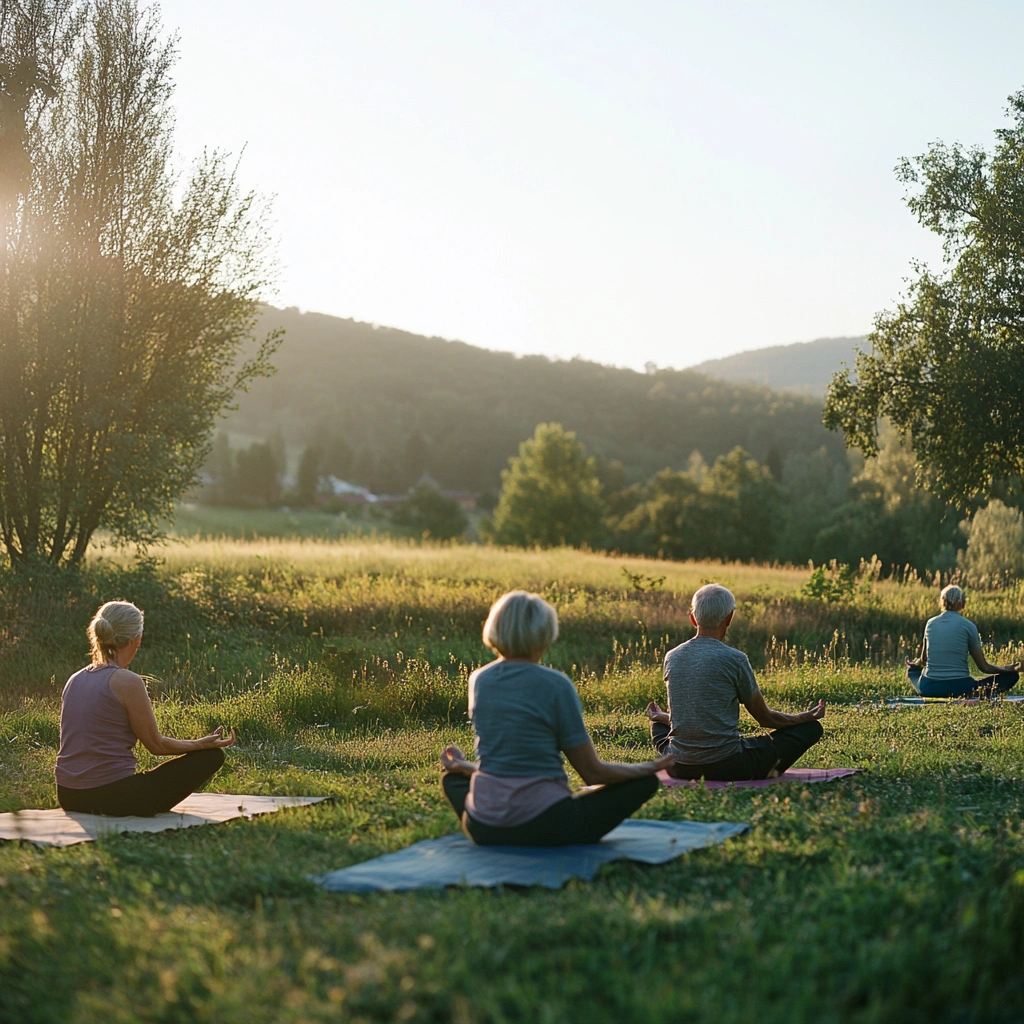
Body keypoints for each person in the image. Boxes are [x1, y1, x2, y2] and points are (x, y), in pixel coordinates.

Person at [440, 590, 673, 845]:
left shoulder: (479, 680)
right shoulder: (556, 685)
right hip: (548, 826)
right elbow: (593, 774)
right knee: (644, 783)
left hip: (483, 828)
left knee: (453, 778)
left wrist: (465, 767)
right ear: (543, 634)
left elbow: (505, 768)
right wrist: (654, 767)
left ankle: (496, 826)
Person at [55, 601, 236, 816]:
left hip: (68, 796)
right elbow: (156, 745)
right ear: (136, 640)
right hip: (111, 797)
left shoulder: (74, 679)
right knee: (212, 757)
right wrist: (200, 745)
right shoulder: (127, 681)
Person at [647, 583, 825, 781]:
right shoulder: (735, 659)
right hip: (728, 766)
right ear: (729, 618)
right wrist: (804, 718)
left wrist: (663, 717)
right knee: (811, 729)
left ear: (693, 619)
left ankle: (663, 727)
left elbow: (691, 716)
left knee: (658, 725)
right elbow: (766, 719)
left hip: (678, 767)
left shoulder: (672, 657)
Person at [905, 584, 1020, 698]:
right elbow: (984, 667)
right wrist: (1009, 668)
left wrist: (915, 664)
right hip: (961, 688)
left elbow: (923, 660)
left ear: (942, 602)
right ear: (961, 604)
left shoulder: (930, 624)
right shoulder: (969, 626)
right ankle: (976, 693)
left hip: (929, 688)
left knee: (911, 671)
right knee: (1012, 676)